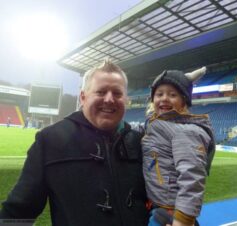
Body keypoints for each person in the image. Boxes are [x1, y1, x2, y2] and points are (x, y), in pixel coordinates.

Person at [0, 59, 149, 226]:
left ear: (126, 99)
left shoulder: (140, 143)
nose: (109, 99)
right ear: (83, 97)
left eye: (117, 93)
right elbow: (18, 212)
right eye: (100, 92)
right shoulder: (50, 140)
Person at [142, 67, 216, 226]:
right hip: (155, 204)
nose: (164, 98)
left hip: (169, 212)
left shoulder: (187, 131)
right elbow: (147, 125)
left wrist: (182, 221)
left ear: (184, 100)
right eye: (159, 94)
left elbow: (192, 178)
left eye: (172, 94)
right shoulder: (158, 122)